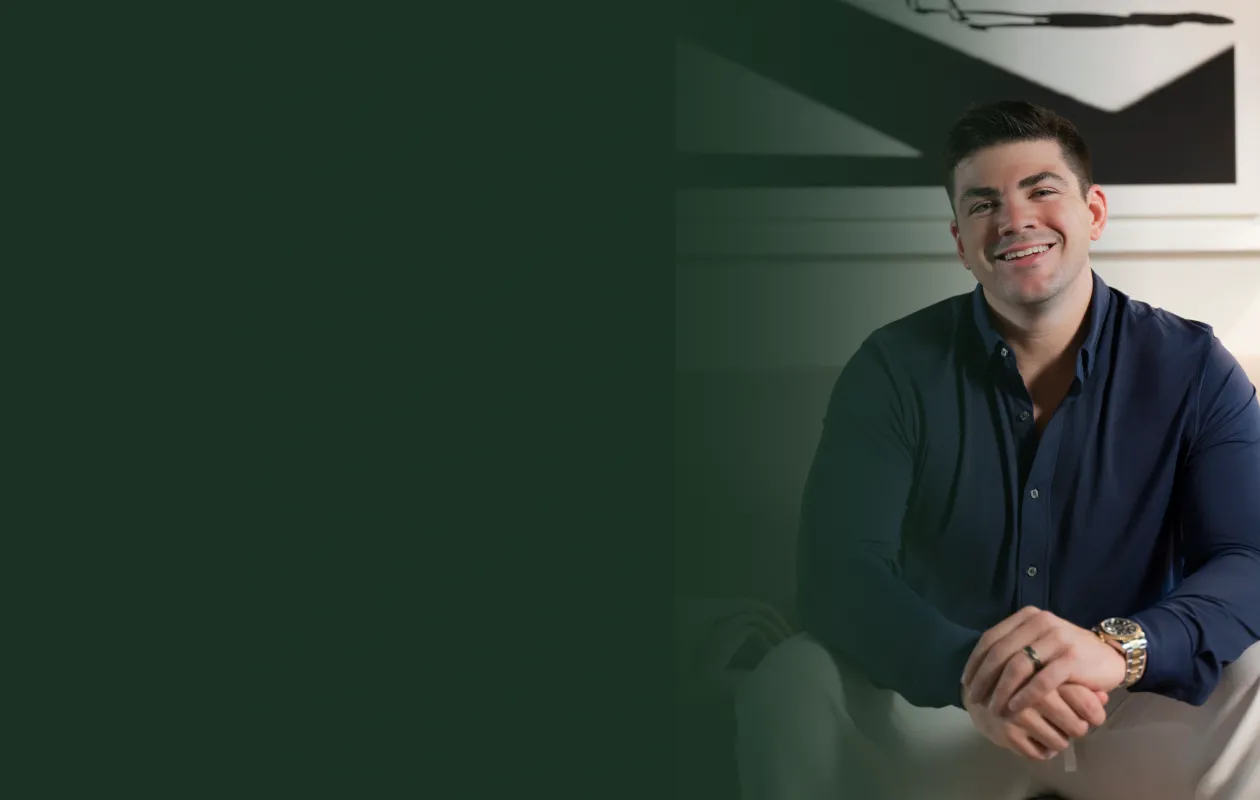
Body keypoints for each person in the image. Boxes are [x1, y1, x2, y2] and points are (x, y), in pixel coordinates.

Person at [735, 100, 1260, 799]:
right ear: (960, 239)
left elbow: (1249, 559)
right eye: (985, 204)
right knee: (793, 678)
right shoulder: (892, 367)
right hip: (945, 706)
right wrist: (972, 670)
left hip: (1128, 705)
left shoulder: (1194, 366)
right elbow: (840, 571)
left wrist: (1117, 648)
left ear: (1094, 212)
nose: (1014, 220)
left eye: (1041, 190)